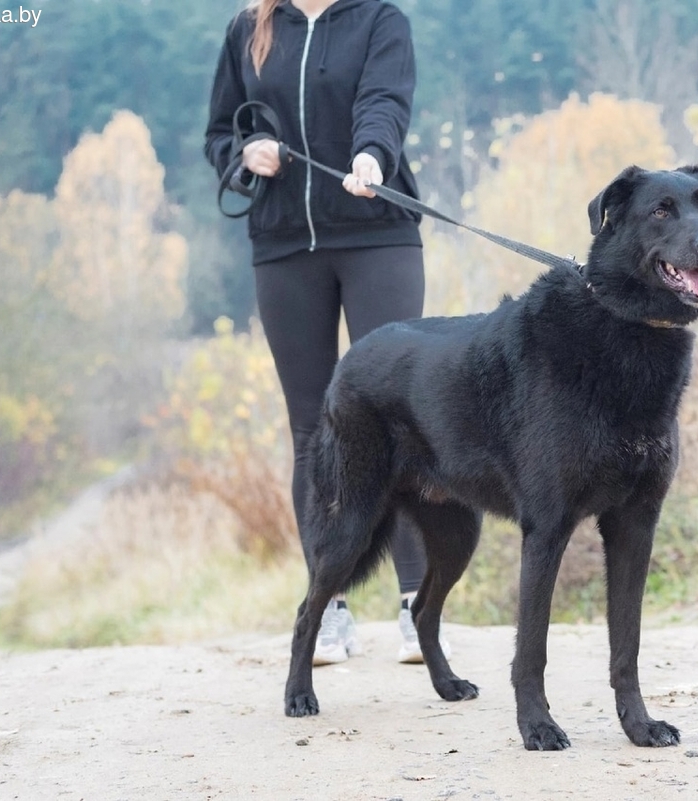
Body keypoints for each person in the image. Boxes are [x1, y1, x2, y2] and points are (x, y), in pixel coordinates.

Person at [204, 0, 446, 665]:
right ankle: (328, 608)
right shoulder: (249, 28)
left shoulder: (379, 20)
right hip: (284, 247)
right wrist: (244, 154)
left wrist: (372, 155)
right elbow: (220, 130)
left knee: (400, 418)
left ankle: (417, 604)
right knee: (313, 431)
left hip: (376, 238)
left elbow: (383, 104)